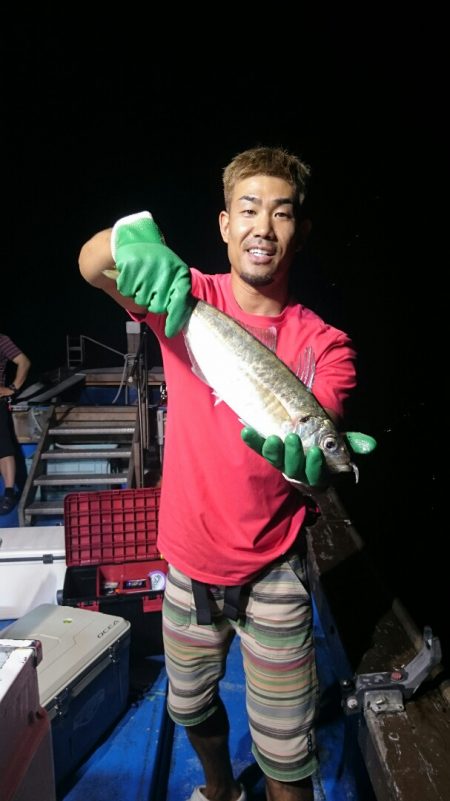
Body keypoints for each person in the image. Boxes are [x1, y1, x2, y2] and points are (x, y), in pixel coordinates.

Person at [78, 146, 375, 801]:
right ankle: (219, 791)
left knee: (288, 752)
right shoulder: (186, 296)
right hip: (185, 561)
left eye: (281, 212)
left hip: (275, 569)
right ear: (224, 224)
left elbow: (320, 414)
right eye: (248, 209)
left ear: (299, 229)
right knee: (189, 707)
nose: (262, 226)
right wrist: (127, 238)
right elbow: (92, 262)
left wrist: (313, 462)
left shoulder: (324, 343)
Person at [0, 333, 31, 514]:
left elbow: (24, 362)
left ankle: (9, 492)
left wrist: (12, 388)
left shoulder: (2, 340)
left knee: (3, 448)